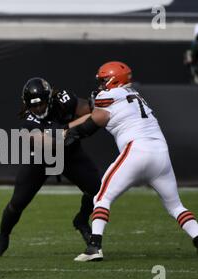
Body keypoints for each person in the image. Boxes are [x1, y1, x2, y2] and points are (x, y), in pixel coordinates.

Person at [63, 61, 198, 262]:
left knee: (102, 197)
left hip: (137, 151)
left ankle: (94, 247)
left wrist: (69, 134)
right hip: (161, 153)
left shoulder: (109, 96)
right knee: (176, 206)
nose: (100, 85)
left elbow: (93, 124)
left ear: (113, 79)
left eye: (103, 81)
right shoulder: (134, 95)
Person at [0, 77, 101, 257]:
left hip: (69, 154)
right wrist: (72, 128)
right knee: (17, 203)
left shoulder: (65, 100)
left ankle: (81, 220)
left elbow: (94, 114)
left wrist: (72, 127)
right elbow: (51, 142)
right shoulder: (27, 121)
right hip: (41, 158)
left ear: (50, 98)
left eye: (41, 103)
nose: (38, 108)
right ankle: (3, 236)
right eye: (34, 106)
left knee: (96, 189)